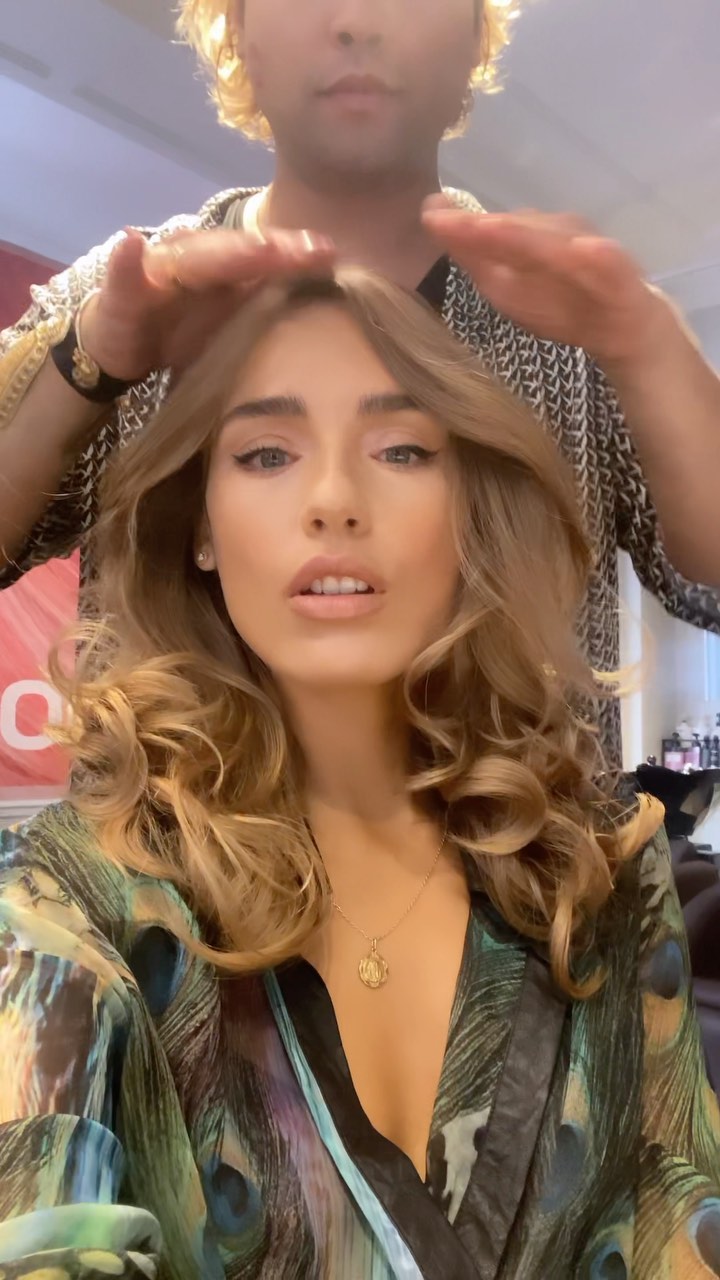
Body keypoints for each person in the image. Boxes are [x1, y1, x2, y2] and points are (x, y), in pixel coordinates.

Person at [0, 271, 718, 1279]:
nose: (335, 499)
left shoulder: (604, 876)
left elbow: (679, 1220)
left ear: (465, 512)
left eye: (402, 450)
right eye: (266, 453)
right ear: (199, 526)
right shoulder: (70, 904)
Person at [1, 0, 720, 768]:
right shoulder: (118, 297)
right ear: (236, 27)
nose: (355, 21)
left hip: (535, 834)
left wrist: (648, 346)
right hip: (164, 836)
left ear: (476, 30)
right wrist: (89, 362)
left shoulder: (582, 324)